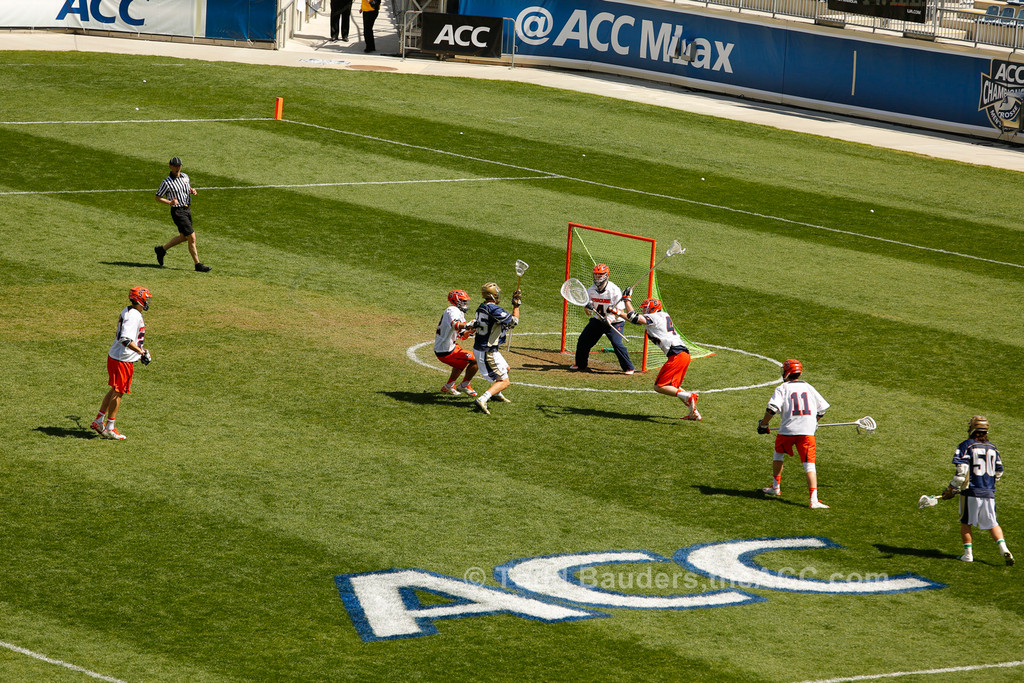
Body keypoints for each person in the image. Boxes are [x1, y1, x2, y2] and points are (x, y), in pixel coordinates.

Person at [938, 416, 1014, 565]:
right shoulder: (993, 448)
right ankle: (1004, 548)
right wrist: (988, 484)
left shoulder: (966, 445)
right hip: (989, 492)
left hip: (971, 492)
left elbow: (962, 472)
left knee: (966, 522)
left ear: (972, 428)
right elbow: (999, 472)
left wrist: (952, 488)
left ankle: (968, 555)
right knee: (993, 523)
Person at [756, 359, 830, 508]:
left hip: (787, 431)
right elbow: (821, 409)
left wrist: (764, 424)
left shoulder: (782, 388)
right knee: (809, 465)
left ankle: (776, 487)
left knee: (778, 455)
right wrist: (814, 422)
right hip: (807, 433)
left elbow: (772, 409)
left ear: (786, 372)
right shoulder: (808, 387)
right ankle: (813, 500)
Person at [620, 293, 700, 420]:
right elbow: (634, 320)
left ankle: (689, 396)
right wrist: (618, 312)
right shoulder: (662, 316)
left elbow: (635, 318)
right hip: (683, 355)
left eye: (645, 308)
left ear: (652, 308)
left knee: (659, 386)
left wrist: (626, 300)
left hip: (677, 355)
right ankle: (694, 412)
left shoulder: (655, 317)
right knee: (673, 387)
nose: (643, 310)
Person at [91, 287, 153, 440]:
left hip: (116, 356)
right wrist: (140, 352)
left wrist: (141, 350)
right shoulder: (134, 316)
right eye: (146, 298)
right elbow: (126, 339)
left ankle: (99, 420)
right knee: (119, 392)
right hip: (122, 360)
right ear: (139, 299)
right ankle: (110, 427)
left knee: (115, 389)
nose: (148, 302)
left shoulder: (128, 310)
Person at [570, 264, 634, 375]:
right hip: (598, 320)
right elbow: (588, 313)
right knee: (583, 341)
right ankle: (580, 364)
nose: (598, 277)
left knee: (616, 343)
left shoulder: (614, 290)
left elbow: (620, 311)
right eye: (596, 274)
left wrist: (609, 319)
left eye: (600, 275)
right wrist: (588, 308)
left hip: (615, 322)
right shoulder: (590, 291)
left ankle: (628, 367)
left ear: (606, 275)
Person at [154, 156, 212, 273]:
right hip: (178, 211)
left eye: (179, 165)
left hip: (187, 209)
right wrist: (170, 202)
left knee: (183, 237)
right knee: (192, 237)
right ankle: (198, 264)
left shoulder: (185, 176)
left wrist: (192, 190)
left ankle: (161, 250)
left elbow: (186, 188)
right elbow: (157, 197)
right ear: (170, 166)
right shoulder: (166, 182)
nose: (177, 168)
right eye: (175, 166)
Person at [471, 282, 521, 415]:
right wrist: (516, 305)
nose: (498, 296)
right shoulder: (494, 310)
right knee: (504, 381)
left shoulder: (481, 307)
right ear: (492, 295)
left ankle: (496, 393)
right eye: (496, 293)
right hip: (487, 350)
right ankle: (482, 399)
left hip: (484, 347)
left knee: (506, 368)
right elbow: (513, 322)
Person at [435, 289, 479, 397]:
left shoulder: (458, 312)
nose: (465, 304)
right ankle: (465, 385)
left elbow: (461, 335)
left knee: (462, 360)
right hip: (445, 350)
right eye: (463, 301)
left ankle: (449, 385)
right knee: (476, 360)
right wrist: (469, 325)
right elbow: (456, 325)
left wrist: (473, 330)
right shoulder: (452, 309)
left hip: (450, 347)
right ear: (456, 300)